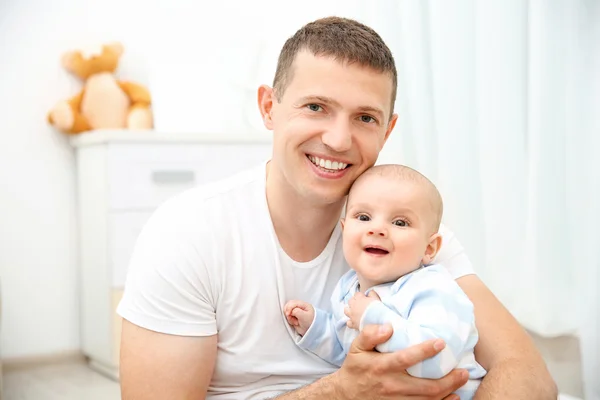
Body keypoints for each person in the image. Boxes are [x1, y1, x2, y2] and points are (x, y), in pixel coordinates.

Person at [117, 16, 557, 400]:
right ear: (269, 107)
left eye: (366, 118)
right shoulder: (189, 234)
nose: (338, 140)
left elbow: (530, 377)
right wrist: (341, 393)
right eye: (315, 107)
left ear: (387, 130)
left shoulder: (405, 235)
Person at [284, 164, 487, 400]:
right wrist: (317, 327)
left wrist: (373, 315)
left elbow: (434, 359)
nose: (377, 229)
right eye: (363, 217)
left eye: (400, 222)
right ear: (344, 230)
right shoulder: (347, 289)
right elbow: (351, 358)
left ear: (429, 248)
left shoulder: (434, 289)